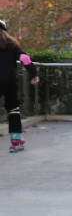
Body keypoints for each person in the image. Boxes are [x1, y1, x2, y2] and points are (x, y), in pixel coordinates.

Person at [0, 19, 40, 153]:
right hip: (10, 81)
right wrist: (34, 74)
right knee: (13, 110)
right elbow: (25, 58)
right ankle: (16, 142)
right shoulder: (12, 44)